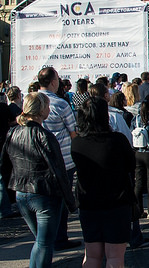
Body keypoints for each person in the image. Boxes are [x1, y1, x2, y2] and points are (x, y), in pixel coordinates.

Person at [1, 92, 76, 267]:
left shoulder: (14, 132)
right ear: (41, 110)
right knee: (44, 243)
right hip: (43, 193)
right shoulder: (43, 135)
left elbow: (4, 163)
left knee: (40, 241)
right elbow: (58, 169)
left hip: (22, 190)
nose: (49, 110)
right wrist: (70, 200)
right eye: (48, 107)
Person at [71, 97, 135, 268]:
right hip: (117, 202)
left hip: (88, 203)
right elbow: (130, 164)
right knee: (115, 257)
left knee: (92, 256)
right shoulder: (117, 140)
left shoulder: (77, 143)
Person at [38, 66, 81, 251]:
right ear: (54, 82)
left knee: (44, 199)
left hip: (39, 157)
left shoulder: (31, 100)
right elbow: (73, 131)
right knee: (62, 198)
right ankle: (59, 237)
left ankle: (46, 236)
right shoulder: (61, 104)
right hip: (62, 159)